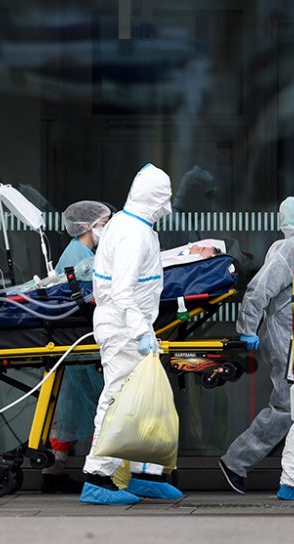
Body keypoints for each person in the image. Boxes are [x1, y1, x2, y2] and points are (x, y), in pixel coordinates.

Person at [80, 164, 184, 505]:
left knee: (143, 406)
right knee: (118, 401)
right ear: (155, 199)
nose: (168, 205)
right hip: (125, 328)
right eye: (165, 198)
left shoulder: (136, 227)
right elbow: (122, 291)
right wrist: (140, 331)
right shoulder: (132, 234)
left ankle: (145, 474)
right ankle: (97, 476)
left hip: (133, 326)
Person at [218, 197, 294, 499]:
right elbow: (257, 291)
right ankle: (237, 461)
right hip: (286, 341)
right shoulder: (287, 250)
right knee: (289, 408)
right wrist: (246, 329)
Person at [43, 200, 111, 494]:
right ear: (88, 226)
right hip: (80, 339)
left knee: (72, 405)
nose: (106, 229)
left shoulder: (81, 253)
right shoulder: (81, 258)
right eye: (104, 223)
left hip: (75, 339)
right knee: (98, 403)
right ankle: (97, 471)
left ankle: (56, 467)